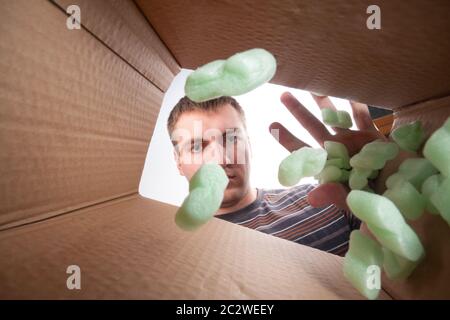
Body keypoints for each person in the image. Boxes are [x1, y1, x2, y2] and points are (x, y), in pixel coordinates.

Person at [167, 92, 384, 256]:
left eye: (231, 138)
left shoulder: (328, 197)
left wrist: (384, 180)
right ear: (178, 163)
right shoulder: (173, 255)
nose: (220, 160)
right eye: (196, 146)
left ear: (249, 146)